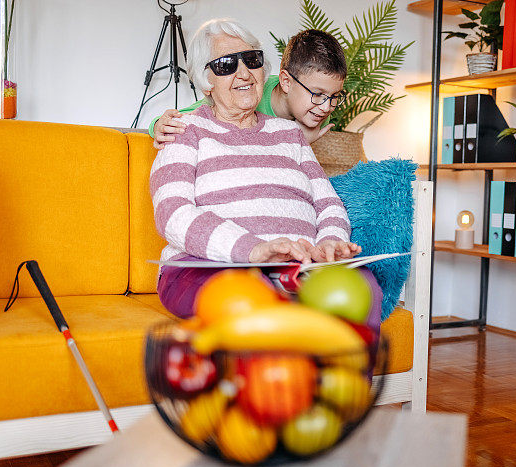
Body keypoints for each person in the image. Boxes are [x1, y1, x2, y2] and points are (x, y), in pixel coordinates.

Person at [150, 18, 382, 332]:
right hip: (207, 266)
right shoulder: (185, 129)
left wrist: (330, 242)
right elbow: (172, 214)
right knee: (254, 295)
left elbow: (329, 204)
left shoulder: (290, 134)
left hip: (295, 266)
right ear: (205, 81)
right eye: (226, 64)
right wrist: (255, 250)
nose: (243, 72)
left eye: (252, 60)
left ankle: (335, 382)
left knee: (362, 288)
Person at [149, 28, 346, 148]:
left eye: (335, 96)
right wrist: (158, 124)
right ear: (286, 82)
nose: (326, 107)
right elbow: (189, 115)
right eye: (318, 94)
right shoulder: (250, 96)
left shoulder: (314, 111)